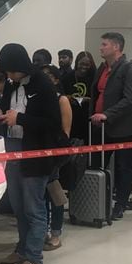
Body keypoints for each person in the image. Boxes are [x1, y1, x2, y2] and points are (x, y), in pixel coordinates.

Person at [0, 43, 62, 264]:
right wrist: (1, 113)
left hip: (36, 152)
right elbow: (5, 106)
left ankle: (34, 260)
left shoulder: (43, 84)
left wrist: (20, 118)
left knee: (34, 208)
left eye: (12, 71)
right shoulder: (12, 84)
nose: (9, 76)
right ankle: (23, 250)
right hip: (13, 148)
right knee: (18, 205)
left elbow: (52, 123)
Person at [89, 32, 132, 219]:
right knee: (96, 163)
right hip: (100, 126)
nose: (101, 48)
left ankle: (120, 203)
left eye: (104, 44)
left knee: (123, 167)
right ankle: (97, 200)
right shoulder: (102, 69)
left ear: (116, 47)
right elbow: (97, 94)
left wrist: (107, 114)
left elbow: (129, 100)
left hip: (123, 128)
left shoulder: (131, 70)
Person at [42, 65, 72, 250]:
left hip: (54, 153)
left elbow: (65, 132)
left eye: (47, 76)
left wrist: (57, 155)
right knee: (42, 195)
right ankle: (44, 229)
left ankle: (56, 232)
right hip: (39, 152)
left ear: (55, 79)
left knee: (54, 193)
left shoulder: (61, 100)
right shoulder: (41, 99)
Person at [66, 52, 96, 144]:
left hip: (89, 116)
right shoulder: (68, 77)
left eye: (87, 64)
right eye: (81, 64)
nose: (84, 67)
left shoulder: (95, 77)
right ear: (76, 63)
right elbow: (62, 95)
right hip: (72, 116)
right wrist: (70, 98)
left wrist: (89, 100)